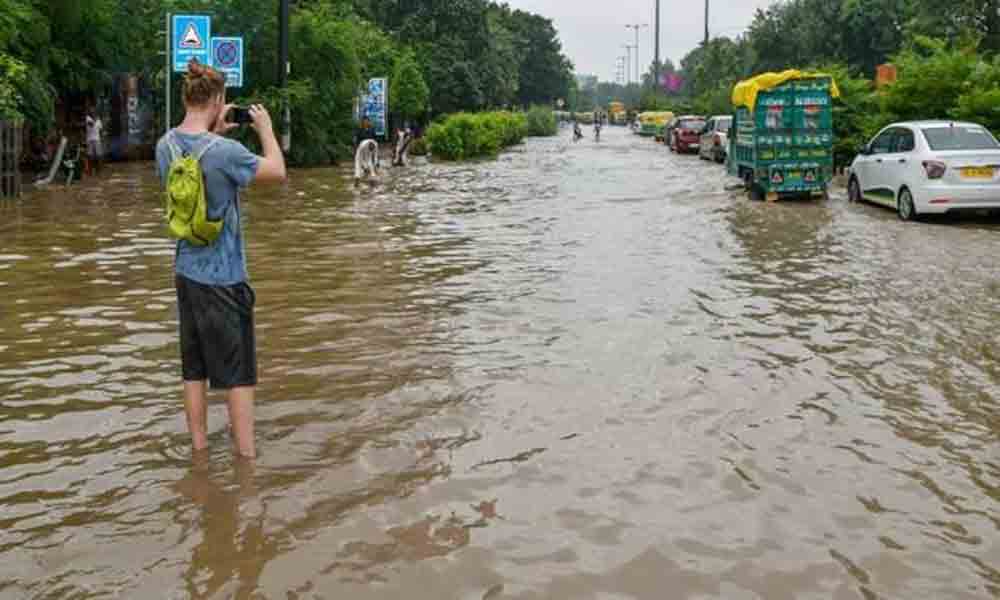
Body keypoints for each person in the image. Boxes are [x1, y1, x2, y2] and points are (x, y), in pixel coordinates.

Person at [155, 61, 286, 459]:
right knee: (238, 374)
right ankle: (246, 460)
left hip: (186, 273)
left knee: (193, 369)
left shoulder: (165, 146)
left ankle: (199, 453)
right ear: (216, 100)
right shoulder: (227, 152)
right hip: (225, 278)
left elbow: (195, 162)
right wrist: (265, 131)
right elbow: (276, 172)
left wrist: (213, 132)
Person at [85, 111, 104, 176]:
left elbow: (101, 129)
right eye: (92, 112)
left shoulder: (98, 120)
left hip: (97, 140)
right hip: (90, 140)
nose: (93, 113)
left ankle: (98, 171)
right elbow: (91, 124)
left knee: (98, 155)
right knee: (90, 156)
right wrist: (96, 119)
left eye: (94, 112)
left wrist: (101, 139)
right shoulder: (88, 118)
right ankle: (90, 171)